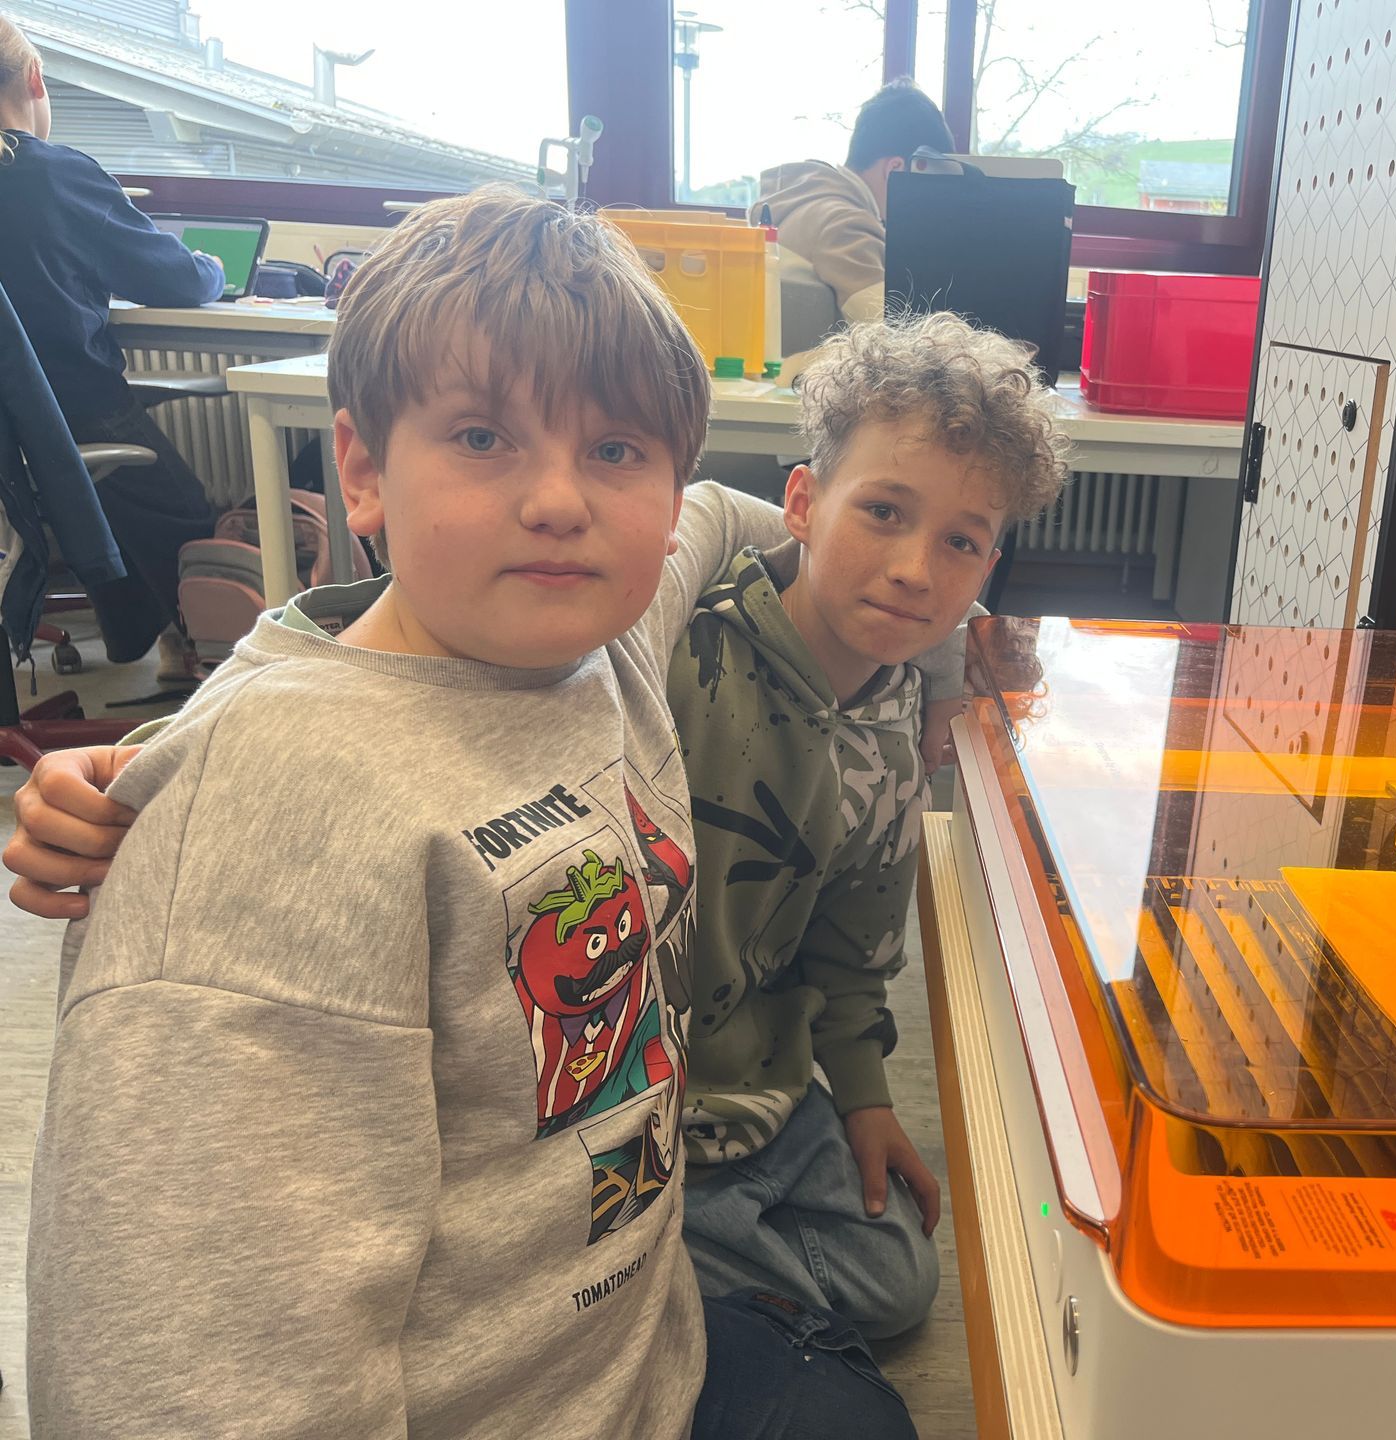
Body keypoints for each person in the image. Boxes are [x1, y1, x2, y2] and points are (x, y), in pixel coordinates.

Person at [20, 186, 922, 1440]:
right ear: (362, 471)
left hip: (631, 1353)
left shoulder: (610, 645)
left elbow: (723, 516)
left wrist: (928, 601)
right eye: (484, 437)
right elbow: (176, 1379)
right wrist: (200, 763)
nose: (559, 499)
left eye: (618, 452)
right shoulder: (266, 825)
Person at [674, 313, 1069, 1337]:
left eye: (960, 542)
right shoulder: (686, 655)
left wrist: (863, 1099)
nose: (915, 569)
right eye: (883, 512)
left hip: (762, 1087)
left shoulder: (903, 713)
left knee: (900, 1281)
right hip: (632, 1099)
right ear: (803, 503)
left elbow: (854, 947)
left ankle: (670, 1262)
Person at [0, 15, 226, 678]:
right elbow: (176, 279)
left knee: (102, 493)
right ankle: (210, 658)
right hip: (69, 412)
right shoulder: (52, 174)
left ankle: (146, 641)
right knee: (183, 514)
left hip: (13, 436)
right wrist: (213, 267)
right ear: (35, 79)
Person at [756, 78, 954, 329]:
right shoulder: (844, 226)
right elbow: (894, 334)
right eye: (926, 185)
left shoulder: (804, 202)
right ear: (895, 170)